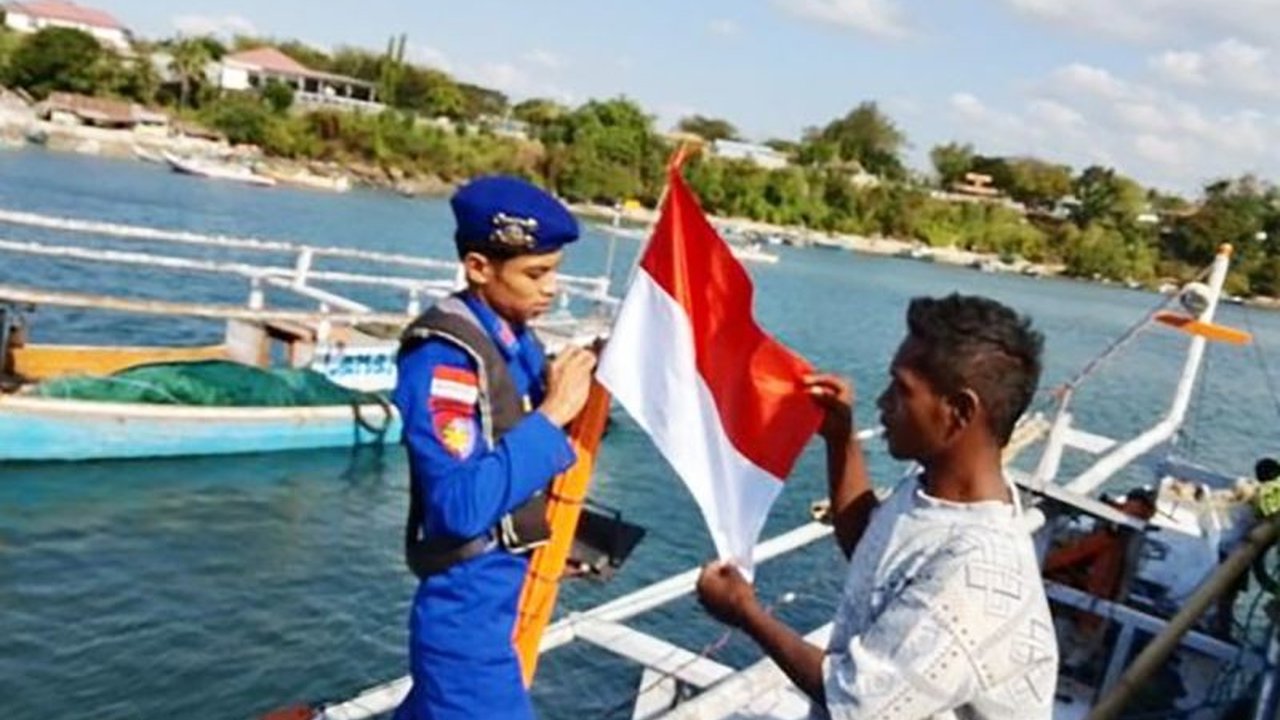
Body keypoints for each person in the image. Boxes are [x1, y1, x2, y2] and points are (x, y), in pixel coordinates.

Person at [696, 294, 1059, 719]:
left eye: (902, 390)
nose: (883, 403)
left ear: (958, 412)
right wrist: (839, 438)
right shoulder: (935, 490)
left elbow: (855, 700)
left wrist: (743, 611)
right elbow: (870, 546)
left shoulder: (976, 571)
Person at [391, 176, 597, 720]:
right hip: (466, 620)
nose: (551, 288)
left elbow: (513, 451)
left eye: (555, 271)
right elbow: (458, 507)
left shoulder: (515, 340)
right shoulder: (443, 360)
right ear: (479, 267)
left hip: (505, 593)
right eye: (536, 274)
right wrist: (554, 412)